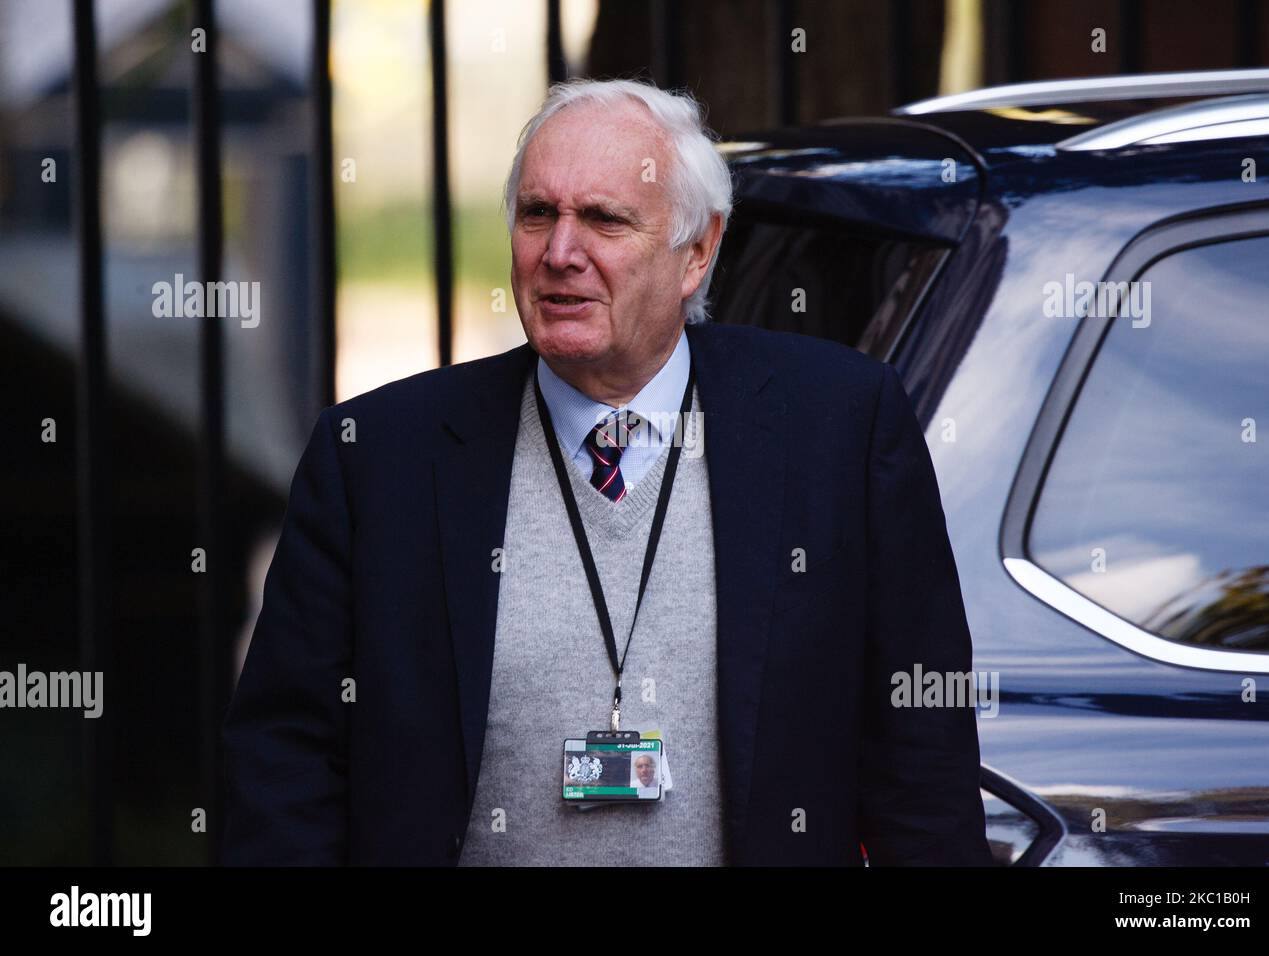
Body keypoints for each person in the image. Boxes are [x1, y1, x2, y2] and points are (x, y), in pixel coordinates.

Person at [221, 77, 992, 867]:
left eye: (603, 219)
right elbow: (285, 770)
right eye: (537, 214)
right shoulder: (377, 457)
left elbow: (921, 772)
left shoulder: (840, 430)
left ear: (697, 252)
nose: (560, 253)